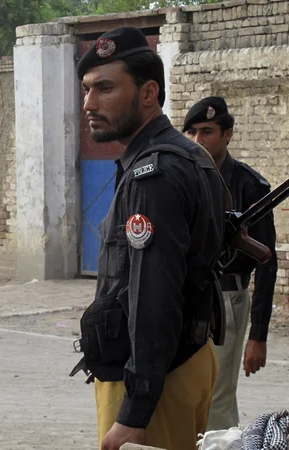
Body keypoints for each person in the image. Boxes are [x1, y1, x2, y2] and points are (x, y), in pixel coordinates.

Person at [71, 27, 228, 450]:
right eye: (86, 90)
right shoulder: (187, 154)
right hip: (184, 362)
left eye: (105, 89)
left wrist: (136, 411)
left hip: (154, 379)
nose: (89, 104)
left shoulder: (153, 174)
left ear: (148, 93)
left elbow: (152, 296)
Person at [183, 96, 278, 431]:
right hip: (188, 296)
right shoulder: (185, 179)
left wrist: (259, 335)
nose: (198, 140)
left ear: (228, 134)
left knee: (217, 397)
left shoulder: (249, 185)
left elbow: (267, 261)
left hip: (227, 299)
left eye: (207, 131)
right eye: (192, 132)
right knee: (185, 392)